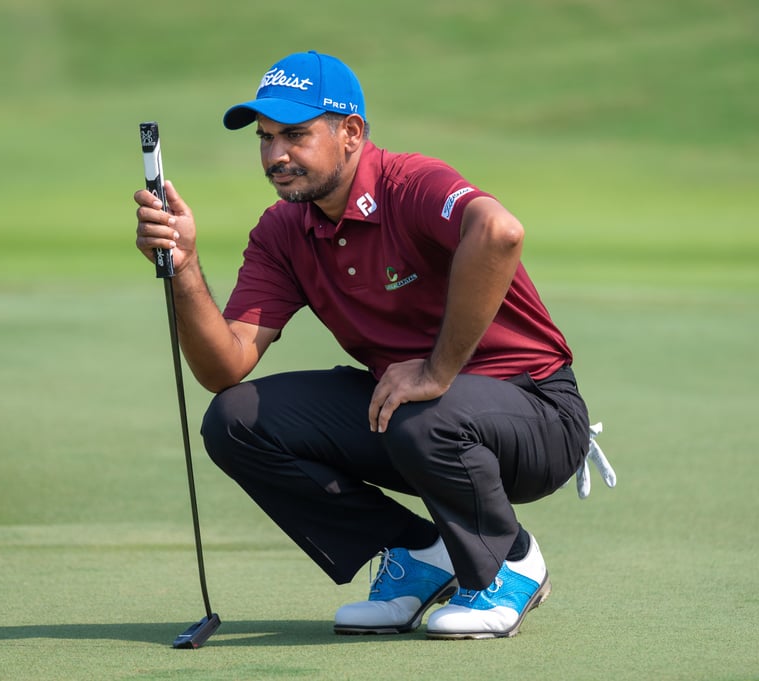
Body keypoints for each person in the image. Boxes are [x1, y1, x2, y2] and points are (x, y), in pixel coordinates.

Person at [134, 50, 600, 640]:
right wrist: (184, 266)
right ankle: (419, 555)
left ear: (350, 132)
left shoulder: (411, 183)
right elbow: (224, 366)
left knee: (423, 415)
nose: (276, 156)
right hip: (417, 415)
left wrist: (436, 370)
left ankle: (508, 561)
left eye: (296, 135)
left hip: (537, 414)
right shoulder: (284, 231)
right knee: (235, 420)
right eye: (266, 138)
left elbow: (500, 232)